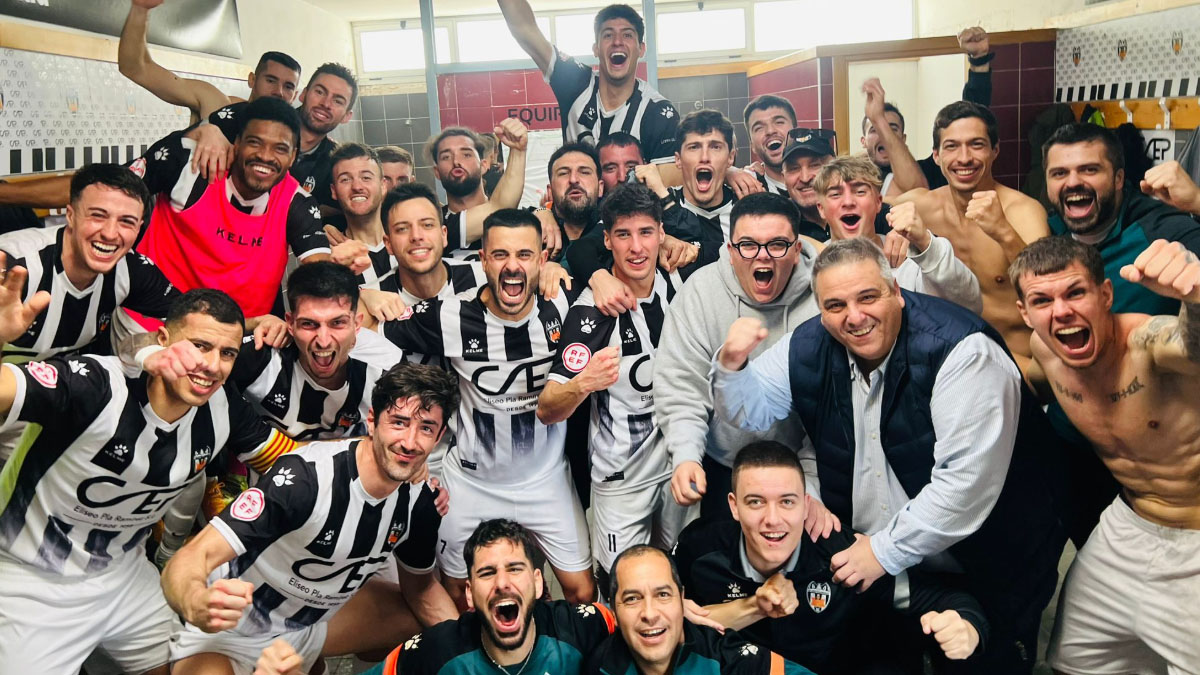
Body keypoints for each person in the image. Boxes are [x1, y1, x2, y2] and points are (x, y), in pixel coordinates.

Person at [712, 238, 1065, 673]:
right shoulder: (810, 343)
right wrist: (732, 365)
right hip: (886, 567)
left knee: (983, 659)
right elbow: (752, 408)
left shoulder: (962, 351)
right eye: (836, 305)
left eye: (868, 297)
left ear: (896, 290)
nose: (854, 317)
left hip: (990, 557)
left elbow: (964, 488)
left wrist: (881, 552)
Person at [0, 287, 296, 674]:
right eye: (200, 346)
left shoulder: (223, 408)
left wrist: (377, 448)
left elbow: (295, 463)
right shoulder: (97, 386)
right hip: (29, 581)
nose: (211, 365)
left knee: (197, 666)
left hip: (125, 578)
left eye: (226, 354)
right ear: (162, 340)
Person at [161, 361, 457, 674]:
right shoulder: (306, 479)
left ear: (437, 439)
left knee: (423, 626)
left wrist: (470, 655)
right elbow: (191, 557)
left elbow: (422, 591)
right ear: (372, 421)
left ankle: (317, 663)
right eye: (398, 422)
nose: (409, 443)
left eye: (425, 428)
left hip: (309, 626)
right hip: (231, 627)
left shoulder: (420, 502)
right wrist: (196, 602)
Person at [380, 209, 596, 607]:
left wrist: (597, 275)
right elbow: (367, 327)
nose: (513, 266)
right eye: (500, 255)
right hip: (472, 483)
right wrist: (366, 295)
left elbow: (604, 266)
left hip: (545, 480)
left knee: (583, 592)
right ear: (482, 259)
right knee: (460, 596)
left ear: (542, 259)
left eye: (525, 256)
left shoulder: (564, 304)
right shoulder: (451, 315)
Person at [1009, 236, 1200, 673]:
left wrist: (1196, 298)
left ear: (1106, 294)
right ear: (1025, 313)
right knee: (1074, 662)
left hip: (1195, 540)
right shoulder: (1046, 349)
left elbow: (1191, 348)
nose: (1061, 311)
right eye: (1042, 300)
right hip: (1127, 525)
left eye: (1076, 292)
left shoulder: (1147, 344)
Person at [673, 442, 987, 673]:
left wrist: (968, 627)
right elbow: (647, 609)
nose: (773, 519)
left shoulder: (843, 555)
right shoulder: (698, 550)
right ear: (734, 506)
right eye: (756, 502)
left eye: (787, 502)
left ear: (806, 504)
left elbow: (945, 600)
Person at [538, 183, 704, 591]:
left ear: (662, 234)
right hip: (621, 478)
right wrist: (583, 384)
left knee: (684, 577)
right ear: (607, 239)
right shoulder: (590, 313)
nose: (636, 247)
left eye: (646, 232)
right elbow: (546, 408)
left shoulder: (681, 283)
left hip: (679, 462)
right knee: (624, 588)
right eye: (624, 235)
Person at [655, 192, 820, 522]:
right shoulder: (701, 292)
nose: (763, 256)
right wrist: (687, 455)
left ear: (797, 249)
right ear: (730, 251)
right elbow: (682, 386)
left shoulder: (822, 297)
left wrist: (812, 484)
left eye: (777, 244)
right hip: (723, 463)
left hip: (800, 469)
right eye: (748, 245)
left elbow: (830, 406)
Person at [123, 96, 330, 331]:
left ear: (293, 157)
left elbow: (320, 273)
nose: (265, 156)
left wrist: (353, 285)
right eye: (255, 143)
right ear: (237, 143)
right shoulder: (193, 167)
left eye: (280, 149)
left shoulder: (297, 201)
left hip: (238, 335)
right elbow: (111, 190)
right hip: (153, 325)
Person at [895, 101, 1050, 373]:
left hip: (1015, 363)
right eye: (952, 146)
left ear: (995, 150)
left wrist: (1004, 232)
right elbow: (854, 203)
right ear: (936, 155)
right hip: (944, 359)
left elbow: (1048, 288)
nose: (964, 158)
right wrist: (891, 230)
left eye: (976, 144)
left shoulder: (1023, 212)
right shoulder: (920, 206)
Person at [360, 519, 614, 675]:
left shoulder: (586, 628)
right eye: (487, 573)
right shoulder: (434, 652)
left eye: (514, 569)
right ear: (469, 594)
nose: (502, 583)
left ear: (538, 583)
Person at [0, 164, 178, 365]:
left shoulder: (130, 268)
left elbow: (197, 317)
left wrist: (139, 352)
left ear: (138, 229)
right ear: (71, 216)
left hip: (70, 387)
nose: (110, 234)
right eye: (98, 216)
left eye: (126, 221)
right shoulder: (14, 266)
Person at [231, 261, 404, 440]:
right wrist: (255, 323)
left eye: (337, 323)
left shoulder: (387, 367)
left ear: (356, 324)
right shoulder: (259, 357)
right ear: (290, 324)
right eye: (309, 324)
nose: (323, 341)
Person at [586, 544, 817, 675]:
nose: (650, 613)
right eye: (632, 599)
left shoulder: (727, 660)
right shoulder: (598, 665)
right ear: (614, 612)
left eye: (663, 595)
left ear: (682, 600)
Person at [1045, 123, 1200, 316]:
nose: (1073, 182)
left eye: (1089, 170)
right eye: (1059, 173)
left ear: (1118, 178)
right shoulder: (1044, 231)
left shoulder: (1162, 230)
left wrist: (1197, 201)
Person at [499, 1, 678, 167]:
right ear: (596, 49)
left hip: (632, 202)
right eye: (608, 35)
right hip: (576, 200)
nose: (617, 42)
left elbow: (666, 188)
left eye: (627, 35)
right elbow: (524, 29)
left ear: (641, 49)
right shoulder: (575, 82)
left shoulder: (659, 113)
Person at [814, 156, 982, 314]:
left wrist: (925, 242)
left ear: (878, 203)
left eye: (860, 192)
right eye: (835, 194)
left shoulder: (910, 258)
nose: (849, 202)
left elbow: (969, 305)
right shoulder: (811, 265)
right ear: (821, 209)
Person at [204, 63, 359, 214]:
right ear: (303, 94)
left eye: (338, 101)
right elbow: (186, 142)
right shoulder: (250, 116)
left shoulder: (335, 161)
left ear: (347, 116)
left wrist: (326, 226)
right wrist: (206, 130)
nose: (326, 103)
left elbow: (342, 207)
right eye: (320, 92)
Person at [862, 27, 995, 196]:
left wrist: (979, 59)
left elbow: (971, 117)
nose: (884, 135)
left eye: (892, 128)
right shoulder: (854, 181)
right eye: (875, 129)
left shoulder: (930, 171)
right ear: (863, 141)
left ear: (903, 139)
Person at [119, 0, 300, 124]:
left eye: (289, 87)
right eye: (270, 80)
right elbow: (136, 68)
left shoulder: (289, 139)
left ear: (295, 94)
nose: (279, 92)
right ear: (252, 79)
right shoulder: (218, 105)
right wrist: (140, 10)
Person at [425, 124, 536, 258]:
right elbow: (499, 208)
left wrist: (544, 212)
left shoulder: (521, 221)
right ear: (436, 172)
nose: (456, 161)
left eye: (466, 154)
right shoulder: (435, 225)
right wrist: (518, 150)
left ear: (484, 165)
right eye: (446, 157)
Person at [780, 128, 891, 242]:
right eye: (794, 169)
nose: (805, 178)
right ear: (783, 177)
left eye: (815, 165)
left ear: (834, 167)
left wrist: (904, 235)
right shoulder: (780, 220)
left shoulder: (878, 214)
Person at [324, 143, 396, 286]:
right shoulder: (330, 258)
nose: (357, 187)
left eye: (366, 177)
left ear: (383, 186)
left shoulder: (409, 243)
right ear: (334, 191)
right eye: (345, 179)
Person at [743, 95, 796, 196]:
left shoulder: (823, 177)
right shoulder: (748, 187)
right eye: (759, 128)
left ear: (797, 132)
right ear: (752, 145)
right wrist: (728, 174)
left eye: (779, 122)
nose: (770, 131)